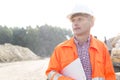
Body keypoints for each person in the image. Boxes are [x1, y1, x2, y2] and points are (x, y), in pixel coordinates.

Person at [45, 4, 116, 80]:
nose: (75, 23)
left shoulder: (101, 47)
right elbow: (50, 73)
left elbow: (110, 76)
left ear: (91, 22)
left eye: (80, 19)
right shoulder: (60, 49)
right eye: (73, 20)